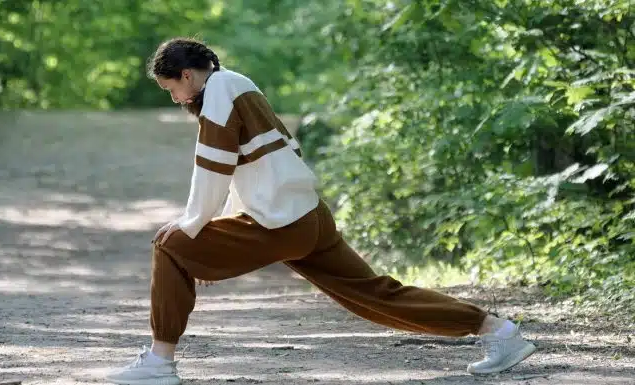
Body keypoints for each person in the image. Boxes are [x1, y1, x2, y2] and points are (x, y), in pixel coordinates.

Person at [105, 37, 536, 385]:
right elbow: (268, 160)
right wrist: (210, 231)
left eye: (172, 90)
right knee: (375, 295)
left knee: (170, 246)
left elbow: (213, 168)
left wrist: (193, 225)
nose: (176, 99)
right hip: (307, 215)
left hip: (281, 222)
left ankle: (160, 363)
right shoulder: (240, 84)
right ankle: (498, 331)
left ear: (185, 75)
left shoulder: (217, 94)